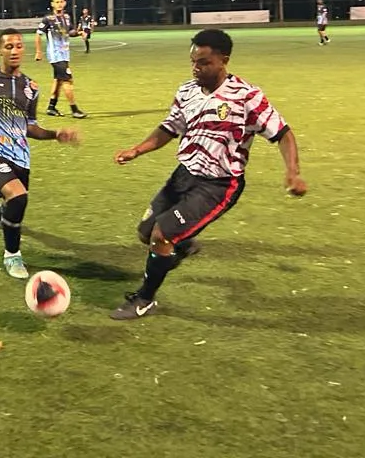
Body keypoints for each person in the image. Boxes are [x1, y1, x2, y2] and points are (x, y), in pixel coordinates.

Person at [109, 28, 307, 320]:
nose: (196, 69)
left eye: (203, 62)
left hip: (218, 184)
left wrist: (293, 173)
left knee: (161, 236)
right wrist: (137, 150)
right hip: (184, 175)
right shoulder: (186, 91)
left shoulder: (246, 97)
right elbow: (169, 128)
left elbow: (283, 134)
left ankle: (145, 299)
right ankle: (183, 245)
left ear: (223, 60)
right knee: (144, 232)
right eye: (193, 62)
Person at [0, 29, 79, 279]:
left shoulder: (31, 87)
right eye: (9, 46)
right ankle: (12, 255)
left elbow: (29, 127)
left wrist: (55, 134)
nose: (14, 51)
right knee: (18, 197)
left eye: (19, 46)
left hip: (20, 154)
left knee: (14, 202)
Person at [35, 0, 87, 118]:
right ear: (52, 4)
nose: (59, 3)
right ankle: (74, 110)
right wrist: (38, 51)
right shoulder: (48, 19)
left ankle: (51, 107)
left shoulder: (67, 17)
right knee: (67, 80)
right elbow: (38, 35)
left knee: (58, 80)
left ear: (64, 3)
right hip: (55, 55)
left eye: (61, 1)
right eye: (56, 2)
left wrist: (79, 33)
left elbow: (69, 32)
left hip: (64, 54)